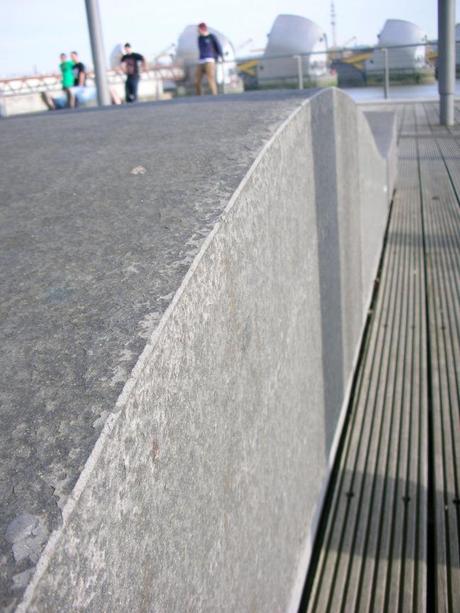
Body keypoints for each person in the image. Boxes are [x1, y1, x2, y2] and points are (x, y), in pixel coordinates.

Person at [195, 22, 223, 96]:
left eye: (199, 30)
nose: (198, 31)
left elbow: (218, 47)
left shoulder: (212, 37)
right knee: (197, 80)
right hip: (201, 61)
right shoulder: (199, 38)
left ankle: (215, 95)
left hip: (210, 60)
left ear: (203, 29)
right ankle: (198, 96)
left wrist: (219, 57)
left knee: (210, 79)